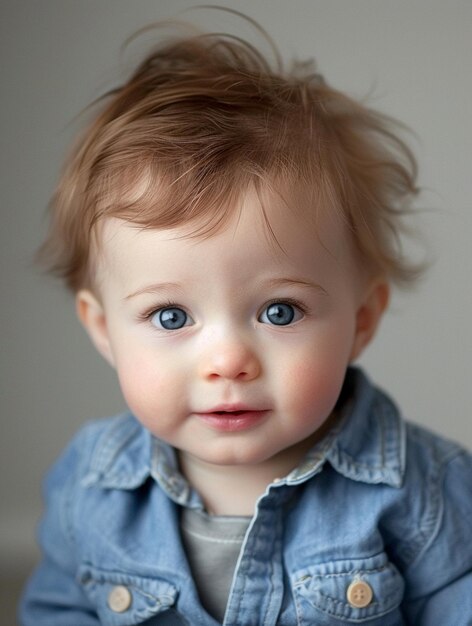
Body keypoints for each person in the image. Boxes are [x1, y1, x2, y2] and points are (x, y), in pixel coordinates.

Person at [20, 18, 472, 626]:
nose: (227, 360)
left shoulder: (426, 491)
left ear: (361, 320)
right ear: (103, 329)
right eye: (171, 315)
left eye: (278, 311)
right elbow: (59, 608)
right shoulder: (91, 484)